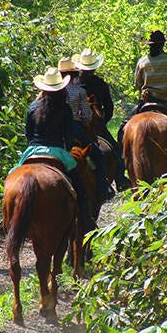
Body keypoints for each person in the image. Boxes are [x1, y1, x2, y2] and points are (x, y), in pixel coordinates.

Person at [14, 67, 97, 231]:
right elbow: (68, 136)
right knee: (79, 184)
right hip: (58, 151)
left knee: (13, 175)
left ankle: (7, 218)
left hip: (33, 150)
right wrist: (65, 150)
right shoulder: (65, 108)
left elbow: (28, 134)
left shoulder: (32, 107)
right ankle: (85, 219)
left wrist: (35, 146)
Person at [118, 30, 167, 147]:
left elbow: (138, 83)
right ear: (163, 44)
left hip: (146, 101)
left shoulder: (142, 62)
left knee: (123, 127)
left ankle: (123, 158)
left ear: (149, 45)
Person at [73, 48, 131, 191]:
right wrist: (102, 123)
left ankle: (119, 179)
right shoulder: (99, 84)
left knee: (116, 149)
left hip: (80, 123)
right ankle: (120, 179)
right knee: (116, 150)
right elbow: (109, 108)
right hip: (93, 123)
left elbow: (109, 107)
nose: (89, 73)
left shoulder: (73, 84)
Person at [58, 56, 112, 202]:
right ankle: (103, 188)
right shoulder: (79, 91)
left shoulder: (52, 92)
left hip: (55, 130)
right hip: (75, 127)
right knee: (98, 155)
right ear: (75, 73)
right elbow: (87, 115)